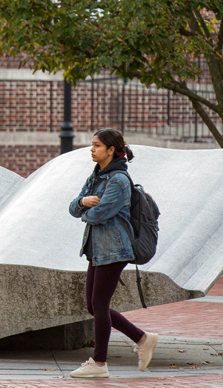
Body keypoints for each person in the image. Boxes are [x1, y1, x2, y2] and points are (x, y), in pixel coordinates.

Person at [67, 128, 158, 378]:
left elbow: (100, 213)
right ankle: (142, 339)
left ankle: (99, 364)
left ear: (111, 150)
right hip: (97, 249)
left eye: (96, 145)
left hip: (115, 249)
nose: (91, 149)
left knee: (99, 303)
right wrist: (84, 202)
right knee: (93, 306)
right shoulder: (97, 175)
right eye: (92, 145)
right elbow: (73, 206)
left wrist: (85, 209)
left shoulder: (118, 180)